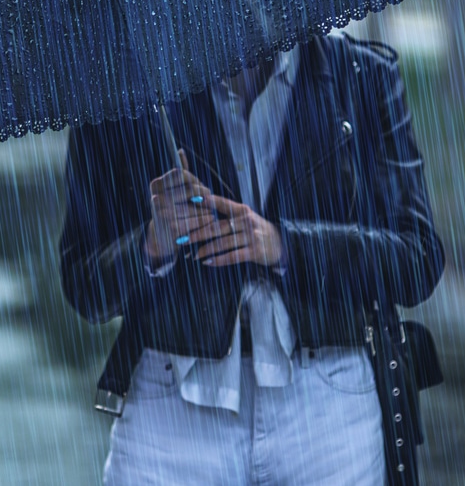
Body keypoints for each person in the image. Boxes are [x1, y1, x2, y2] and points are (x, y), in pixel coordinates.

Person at [59, 32, 444, 486]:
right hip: (171, 406)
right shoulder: (121, 91)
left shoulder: (362, 76)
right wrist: (152, 242)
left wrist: (286, 246)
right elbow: (84, 286)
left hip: (330, 406)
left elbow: (417, 260)